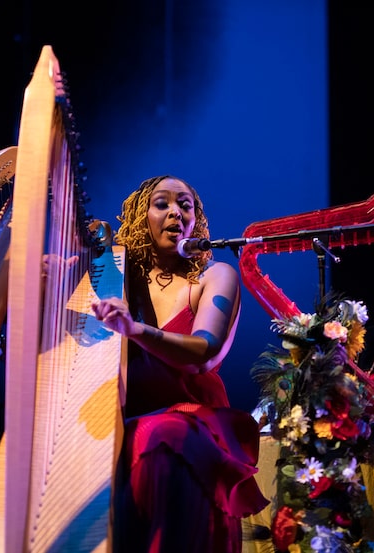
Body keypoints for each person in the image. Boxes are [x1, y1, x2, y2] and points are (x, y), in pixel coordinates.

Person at [91, 175, 269, 553]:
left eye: (184, 204)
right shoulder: (116, 279)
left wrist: (136, 330)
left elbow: (203, 353)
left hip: (190, 419)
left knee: (166, 435)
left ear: (196, 220)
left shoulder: (213, 277)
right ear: (142, 216)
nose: (175, 211)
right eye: (162, 203)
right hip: (124, 423)